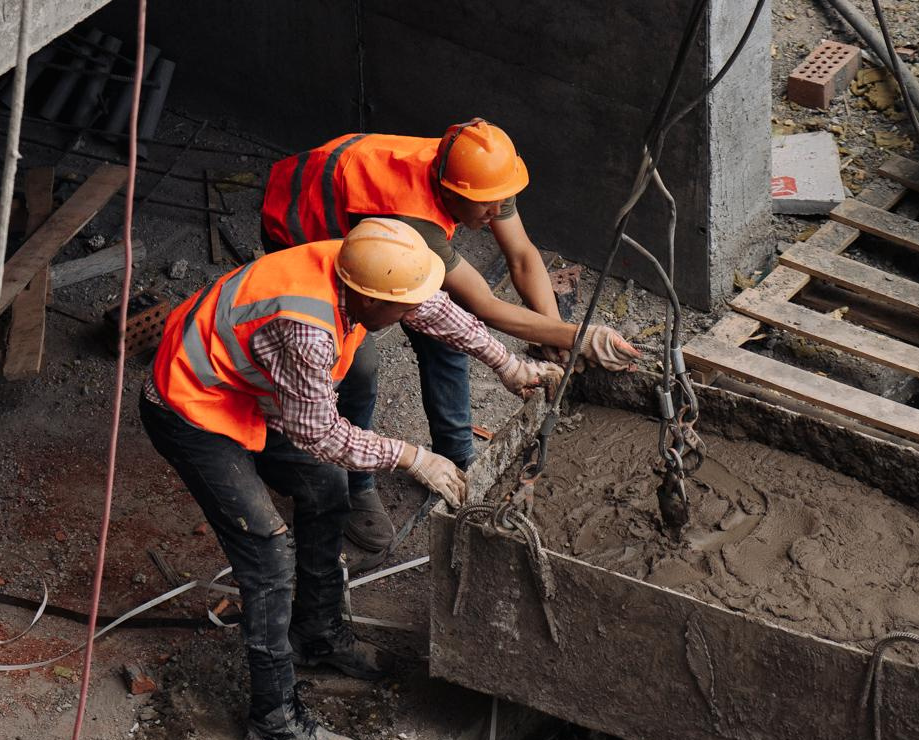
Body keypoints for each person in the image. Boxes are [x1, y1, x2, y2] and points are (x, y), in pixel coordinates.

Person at [140, 218, 559, 740]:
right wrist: (414, 458)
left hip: (249, 389)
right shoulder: (308, 328)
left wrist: (509, 365)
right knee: (267, 555)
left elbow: (432, 309)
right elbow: (319, 432)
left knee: (326, 484)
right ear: (366, 297)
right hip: (191, 406)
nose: (409, 315)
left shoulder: (367, 262)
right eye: (399, 309)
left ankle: (317, 633)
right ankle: (274, 727)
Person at [260, 119, 639, 549]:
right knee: (357, 364)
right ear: (452, 193)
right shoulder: (414, 218)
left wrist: (558, 339)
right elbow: (484, 305)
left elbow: (521, 257)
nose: (496, 213)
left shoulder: (484, 175)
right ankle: (357, 485)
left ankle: (460, 459)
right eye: (486, 208)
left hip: (368, 218)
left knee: (443, 330)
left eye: (502, 202)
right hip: (305, 222)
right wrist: (578, 336)